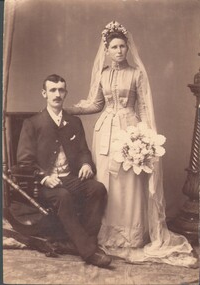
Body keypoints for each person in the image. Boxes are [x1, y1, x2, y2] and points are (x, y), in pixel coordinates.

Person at [65, 21, 197, 267]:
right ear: (107, 49)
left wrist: (145, 139)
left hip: (130, 133)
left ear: (128, 48)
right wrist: (68, 110)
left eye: (122, 46)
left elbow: (145, 108)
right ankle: (107, 235)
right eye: (114, 47)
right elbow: (95, 104)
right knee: (106, 183)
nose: (118, 51)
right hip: (104, 133)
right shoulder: (103, 74)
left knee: (128, 185)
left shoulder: (137, 74)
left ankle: (131, 237)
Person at [16, 74, 112, 268]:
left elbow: (84, 151)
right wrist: (44, 177)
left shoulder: (74, 122)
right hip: (44, 183)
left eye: (61, 90)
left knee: (98, 188)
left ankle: (80, 241)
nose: (57, 94)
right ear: (44, 93)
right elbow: (24, 161)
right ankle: (89, 251)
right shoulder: (33, 123)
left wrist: (86, 164)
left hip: (70, 177)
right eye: (52, 90)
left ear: (66, 93)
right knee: (63, 196)